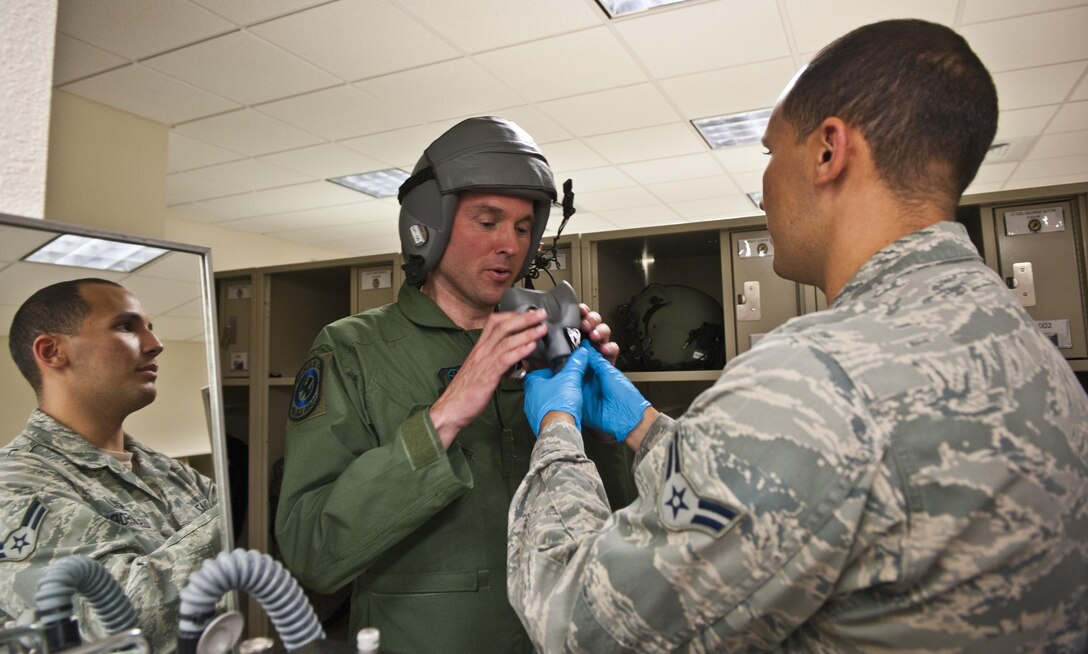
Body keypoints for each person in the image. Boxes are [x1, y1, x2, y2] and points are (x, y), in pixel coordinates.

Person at [509, 19, 1088, 652]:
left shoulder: (817, 378)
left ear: (826, 152)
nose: (762, 189)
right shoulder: (1018, 342)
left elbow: (577, 624)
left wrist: (558, 431)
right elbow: (793, 494)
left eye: (768, 154)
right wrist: (643, 425)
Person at [274, 116, 636, 653]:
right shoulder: (352, 349)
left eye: (521, 226)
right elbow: (310, 550)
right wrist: (442, 419)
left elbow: (623, 525)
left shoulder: (545, 338)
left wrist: (602, 428)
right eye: (487, 222)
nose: (509, 245)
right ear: (430, 224)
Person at [0, 279, 220, 652]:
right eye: (125, 326)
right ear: (52, 351)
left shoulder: (169, 473)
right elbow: (119, 624)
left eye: (150, 327)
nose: (155, 344)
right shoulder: (15, 485)